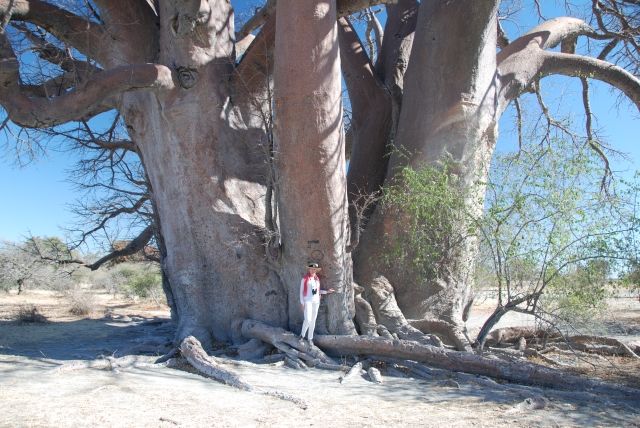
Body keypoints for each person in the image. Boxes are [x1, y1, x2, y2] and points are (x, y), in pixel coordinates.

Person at [300, 263, 334, 346]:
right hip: (307, 301)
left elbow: (317, 291)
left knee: (313, 320)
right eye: (312, 269)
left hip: (316, 301)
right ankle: (302, 335)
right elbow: (301, 292)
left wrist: (326, 292)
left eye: (314, 269)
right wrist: (302, 302)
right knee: (307, 319)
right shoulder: (305, 279)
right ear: (309, 269)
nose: (313, 270)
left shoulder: (317, 279)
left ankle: (310, 338)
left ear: (316, 270)